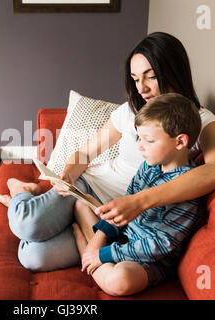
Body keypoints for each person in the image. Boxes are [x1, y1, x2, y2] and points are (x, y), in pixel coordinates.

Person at [0, 32, 215, 273]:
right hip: (88, 190)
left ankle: (55, 217)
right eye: (135, 78)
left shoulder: (202, 122)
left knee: (33, 257)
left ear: (174, 71)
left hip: (120, 221)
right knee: (28, 224)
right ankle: (21, 191)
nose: (142, 88)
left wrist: (138, 202)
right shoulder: (133, 111)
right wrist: (68, 175)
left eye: (151, 76)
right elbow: (85, 154)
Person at [72, 93, 206, 296]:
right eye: (139, 138)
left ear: (180, 142)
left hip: (151, 259)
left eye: (149, 140)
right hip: (124, 239)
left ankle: (84, 246)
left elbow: (160, 245)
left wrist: (104, 253)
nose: (140, 146)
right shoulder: (148, 166)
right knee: (81, 205)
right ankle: (90, 249)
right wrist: (100, 240)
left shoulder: (188, 187)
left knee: (121, 281)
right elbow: (123, 210)